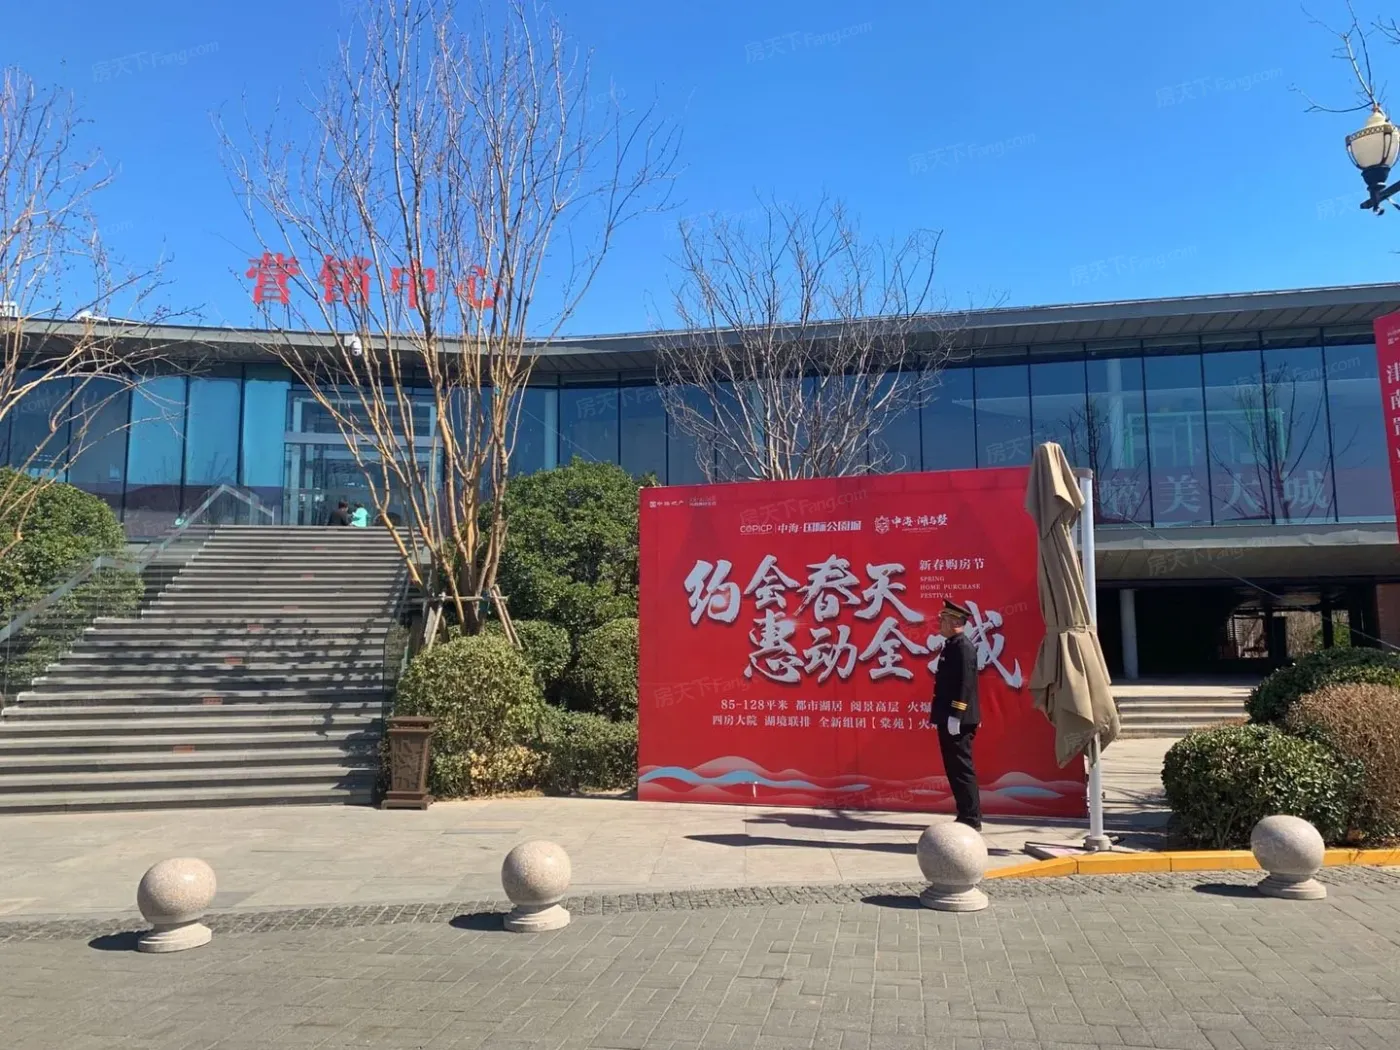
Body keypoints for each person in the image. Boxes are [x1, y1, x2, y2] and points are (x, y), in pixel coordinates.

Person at [930, 598, 982, 831]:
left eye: (943, 620)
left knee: (961, 768)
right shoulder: (952, 645)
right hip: (949, 716)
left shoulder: (962, 647)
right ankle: (964, 814)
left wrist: (956, 715)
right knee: (953, 767)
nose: (939, 624)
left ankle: (971, 817)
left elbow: (965, 683)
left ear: (955, 622)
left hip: (958, 719)